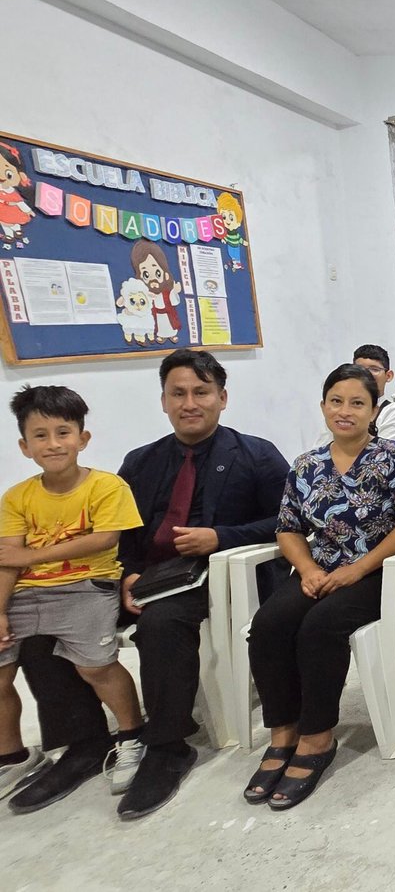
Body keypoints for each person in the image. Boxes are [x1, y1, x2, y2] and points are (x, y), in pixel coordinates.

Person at [13, 351, 288, 819]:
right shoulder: (141, 462)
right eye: (177, 393)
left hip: (217, 575)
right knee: (41, 625)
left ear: (222, 398)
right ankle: (83, 743)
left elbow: (287, 523)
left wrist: (221, 536)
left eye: (201, 392)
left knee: (161, 623)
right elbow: (120, 530)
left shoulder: (256, 455)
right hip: (144, 576)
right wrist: (127, 573)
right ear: (163, 400)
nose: (189, 403)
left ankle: (167, 745)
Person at [244, 365, 395, 810]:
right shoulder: (307, 465)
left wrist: (359, 569)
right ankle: (283, 732)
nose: (345, 411)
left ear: (374, 410)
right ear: (324, 405)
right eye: (336, 402)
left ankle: (317, 737)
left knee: (320, 628)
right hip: (320, 568)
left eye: (357, 403)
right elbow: (287, 529)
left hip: (383, 571)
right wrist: (306, 569)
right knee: (268, 625)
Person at [0, 387, 146, 810]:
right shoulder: (17, 498)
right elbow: (8, 559)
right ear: (25, 447)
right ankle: (12, 755)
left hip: (88, 587)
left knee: (95, 666)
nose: (53, 444)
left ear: (83, 438)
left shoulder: (106, 486)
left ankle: (132, 735)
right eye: (40, 436)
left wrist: (33, 555)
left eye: (63, 432)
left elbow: (103, 539)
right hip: (27, 593)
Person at [317, 345, 395, 445]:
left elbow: (385, 454)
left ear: (388, 375)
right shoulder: (338, 412)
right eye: (359, 369)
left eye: (374, 369)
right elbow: (320, 448)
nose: (366, 374)